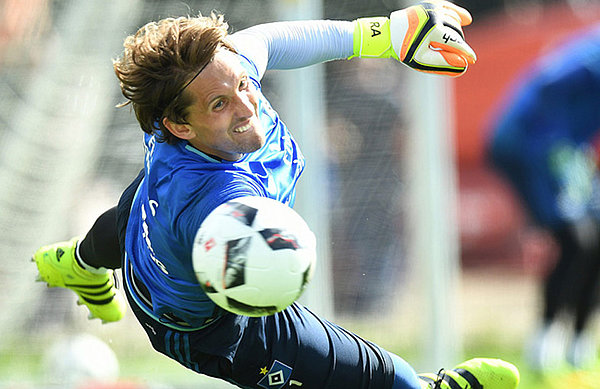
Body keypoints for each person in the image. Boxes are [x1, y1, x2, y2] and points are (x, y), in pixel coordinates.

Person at [32, 1, 519, 388]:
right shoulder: (219, 202)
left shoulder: (194, 98)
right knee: (382, 377)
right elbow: (255, 258)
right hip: (208, 331)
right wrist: (273, 262)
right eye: (221, 105)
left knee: (133, 209)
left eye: (243, 84)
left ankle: (81, 262)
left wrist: (389, 33)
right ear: (178, 125)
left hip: (152, 233)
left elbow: (271, 40)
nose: (248, 105)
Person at [487, 23, 600, 372]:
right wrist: (561, 155)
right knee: (576, 239)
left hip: (560, 152)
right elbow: (550, 84)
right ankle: (545, 341)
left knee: (592, 236)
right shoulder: (591, 57)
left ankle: (578, 344)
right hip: (529, 146)